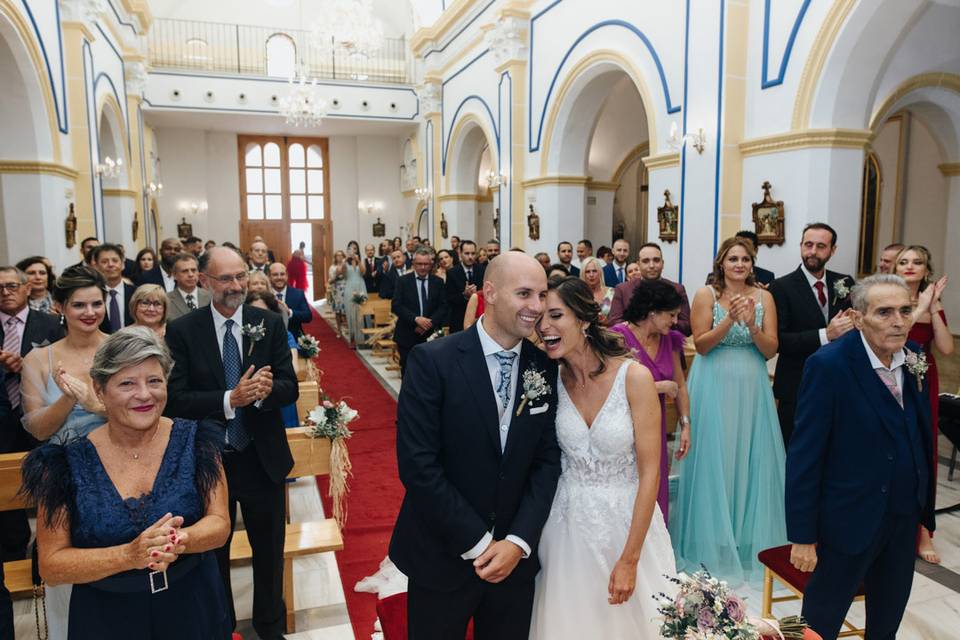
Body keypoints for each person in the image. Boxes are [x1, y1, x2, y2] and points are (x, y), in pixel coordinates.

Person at [389, 251, 560, 640]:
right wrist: (481, 543)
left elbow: (548, 461)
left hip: (514, 561)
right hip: (442, 553)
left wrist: (516, 542)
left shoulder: (545, 366)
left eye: (542, 294)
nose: (536, 307)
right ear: (490, 292)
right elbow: (418, 465)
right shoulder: (433, 361)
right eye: (524, 294)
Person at [22, 326, 232, 639]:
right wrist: (128, 555)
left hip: (191, 604)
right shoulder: (63, 464)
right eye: (127, 384)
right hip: (106, 616)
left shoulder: (197, 441)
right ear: (99, 388)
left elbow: (219, 523)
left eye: (154, 381)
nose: (145, 395)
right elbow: (52, 564)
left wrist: (178, 540)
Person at [786, 275, 935, 640]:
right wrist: (802, 535)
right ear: (857, 317)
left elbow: (918, 434)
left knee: (887, 620)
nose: (898, 321)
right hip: (848, 520)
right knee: (819, 624)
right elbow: (805, 455)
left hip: (903, 517)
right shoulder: (830, 365)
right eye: (884, 312)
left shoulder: (914, 357)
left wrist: (923, 509)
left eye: (904, 310)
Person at [529, 276, 675, 638]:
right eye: (539, 320)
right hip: (566, 529)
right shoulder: (549, 380)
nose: (544, 327)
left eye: (555, 315)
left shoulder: (634, 377)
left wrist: (630, 558)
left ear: (583, 318)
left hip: (627, 523)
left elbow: (650, 473)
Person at [165, 247, 298, 640]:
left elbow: (289, 387)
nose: (236, 286)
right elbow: (175, 398)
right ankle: (221, 628)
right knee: (213, 554)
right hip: (211, 462)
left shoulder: (269, 322)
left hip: (261, 457)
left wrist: (265, 392)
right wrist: (229, 399)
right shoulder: (184, 330)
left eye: (241, 276)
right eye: (225, 279)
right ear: (204, 281)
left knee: (270, 551)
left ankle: (270, 628)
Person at [670, 237, 786, 585]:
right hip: (713, 384)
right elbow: (701, 345)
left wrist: (750, 325)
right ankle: (713, 540)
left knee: (749, 457)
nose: (739, 264)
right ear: (721, 263)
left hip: (751, 385)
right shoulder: (706, 295)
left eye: (745, 259)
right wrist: (729, 320)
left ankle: (744, 539)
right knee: (716, 459)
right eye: (732, 258)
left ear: (752, 264)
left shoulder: (766, 297)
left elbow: (770, 349)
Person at [609, 279, 691, 524]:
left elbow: (681, 385)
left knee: (655, 489)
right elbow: (610, 389)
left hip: (655, 428)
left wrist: (685, 424)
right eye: (671, 315)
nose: (675, 321)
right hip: (623, 429)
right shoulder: (618, 338)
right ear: (652, 311)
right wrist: (657, 387)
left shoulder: (670, 340)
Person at [0, 265, 65, 563]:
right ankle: (14, 550)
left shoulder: (50, 324)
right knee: (6, 489)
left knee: (49, 486)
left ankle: (48, 546)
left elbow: (62, 365)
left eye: (12, 286)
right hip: (3, 420)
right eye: (0, 287)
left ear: (27, 288)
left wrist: (28, 365)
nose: (5, 292)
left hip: (44, 417)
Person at [769, 222, 855, 445]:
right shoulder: (781, 287)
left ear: (832, 250)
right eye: (808, 245)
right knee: (794, 446)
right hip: (798, 381)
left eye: (821, 246)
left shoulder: (844, 282)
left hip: (839, 380)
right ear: (800, 246)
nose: (813, 252)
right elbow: (780, 341)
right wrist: (826, 334)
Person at [894, 245, 952, 564]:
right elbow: (896, 333)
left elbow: (943, 348)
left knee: (923, 452)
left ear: (926, 270)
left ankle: (924, 531)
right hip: (891, 373)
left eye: (917, 262)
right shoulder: (888, 298)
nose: (910, 266)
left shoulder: (933, 302)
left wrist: (931, 309)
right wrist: (921, 305)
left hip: (923, 377)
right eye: (904, 262)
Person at [607, 243, 692, 336]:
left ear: (662, 264)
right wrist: (644, 326)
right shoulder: (623, 289)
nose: (651, 265)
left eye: (656, 260)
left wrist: (662, 323)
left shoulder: (677, 289)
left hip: (668, 343)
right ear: (638, 264)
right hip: (632, 346)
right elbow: (614, 323)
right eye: (646, 261)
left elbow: (687, 326)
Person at [246, 291, 301, 429]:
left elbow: (295, 369)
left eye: (263, 311)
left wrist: (266, 381)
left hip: (277, 397)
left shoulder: (284, 335)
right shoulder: (244, 336)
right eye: (253, 311)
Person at [391, 248, 448, 374]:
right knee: (408, 370)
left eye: (426, 264)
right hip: (407, 333)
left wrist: (428, 323)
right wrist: (416, 320)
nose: (422, 267)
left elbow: (443, 307)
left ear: (431, 264)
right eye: (419, 264)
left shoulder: (437, 282)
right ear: (413, 264)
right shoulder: (403, 281)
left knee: (430, 371)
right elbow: (396, 305)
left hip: (430, 335)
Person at [93, 244, 136, 334]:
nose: (110, 265)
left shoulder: (136, 293)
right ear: (96, 266)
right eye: (104, 262)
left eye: (115, 261)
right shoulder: (91, 296)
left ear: (123, 264)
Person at [444, 240, 485, 334]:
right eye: (467, 253)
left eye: (473, 253)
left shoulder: (482, 270)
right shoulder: (452, 273)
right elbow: (449, 298)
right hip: (458, 319)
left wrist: (476, 294)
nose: (470, 257)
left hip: (479, 319)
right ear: (460, 253)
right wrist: (464, 295)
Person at [269, 262, 312, 339]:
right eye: (275, 275)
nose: (279, 277)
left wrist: (289, 312)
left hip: (294, 337)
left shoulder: (298, 294)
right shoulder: (265, 295)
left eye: (282, 274)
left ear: (287, 276)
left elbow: (308, 316)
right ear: (269, 277)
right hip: (270, 338)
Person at [167, 254, 210, 322]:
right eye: (185, 271)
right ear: (174, 275)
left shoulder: (211, 297)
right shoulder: (166, 300)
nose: (190, 274)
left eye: (193, 270)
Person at [341, 247, 368, 347]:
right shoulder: (346, 263)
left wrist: (358, 261)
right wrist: (344, 260)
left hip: (361, 286)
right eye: (350, 249)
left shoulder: (361, 261)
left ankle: (363, 339)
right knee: (351, 312)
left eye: (355, 249)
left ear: (357, 251)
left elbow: (363, 272)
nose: (353, 251)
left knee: (362, 312)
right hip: (349, 287)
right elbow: (342, 272)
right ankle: (352, 339)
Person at [579, 257, 613, 325]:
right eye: (587, 272)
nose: (591, 275)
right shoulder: (579, 295)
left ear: (600, 272)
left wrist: (608, 321)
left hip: (609, 332)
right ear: (583, 274)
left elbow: (620, 319)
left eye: (594, 271)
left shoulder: (612, 292)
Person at [327, 250, 347, 337]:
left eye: (341, 255)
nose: (339, 257)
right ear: (335, 257)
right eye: (337, 256)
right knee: (338, 311)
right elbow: (331, 280)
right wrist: (337, 275)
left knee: (346, 311)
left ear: (343, 256)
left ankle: (347, 329)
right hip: (337, 290)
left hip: (346, 289)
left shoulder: (346, 266)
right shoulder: (332, 267)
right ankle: (339, 330)